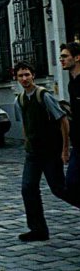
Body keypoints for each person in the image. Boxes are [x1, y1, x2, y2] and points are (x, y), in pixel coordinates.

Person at [14, 60, 70, 241]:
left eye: (27, 75)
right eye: (21, 76)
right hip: (33, 152)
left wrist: (64, 149)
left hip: (50, 151)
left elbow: (63, 120)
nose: (24, 79)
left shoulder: (43, 96)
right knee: (28, 188)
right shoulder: (20, 100)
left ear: (33, 76)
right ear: (16, 78)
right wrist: (27, 142)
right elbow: (25, 123)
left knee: (59, 189)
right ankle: (38, 229)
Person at [60, 41, 80, 206]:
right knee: (71, 186)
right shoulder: (71, 83)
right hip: (78, 143)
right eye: (61, 57)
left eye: (65, 56)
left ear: (78, 58)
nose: (62, 60)